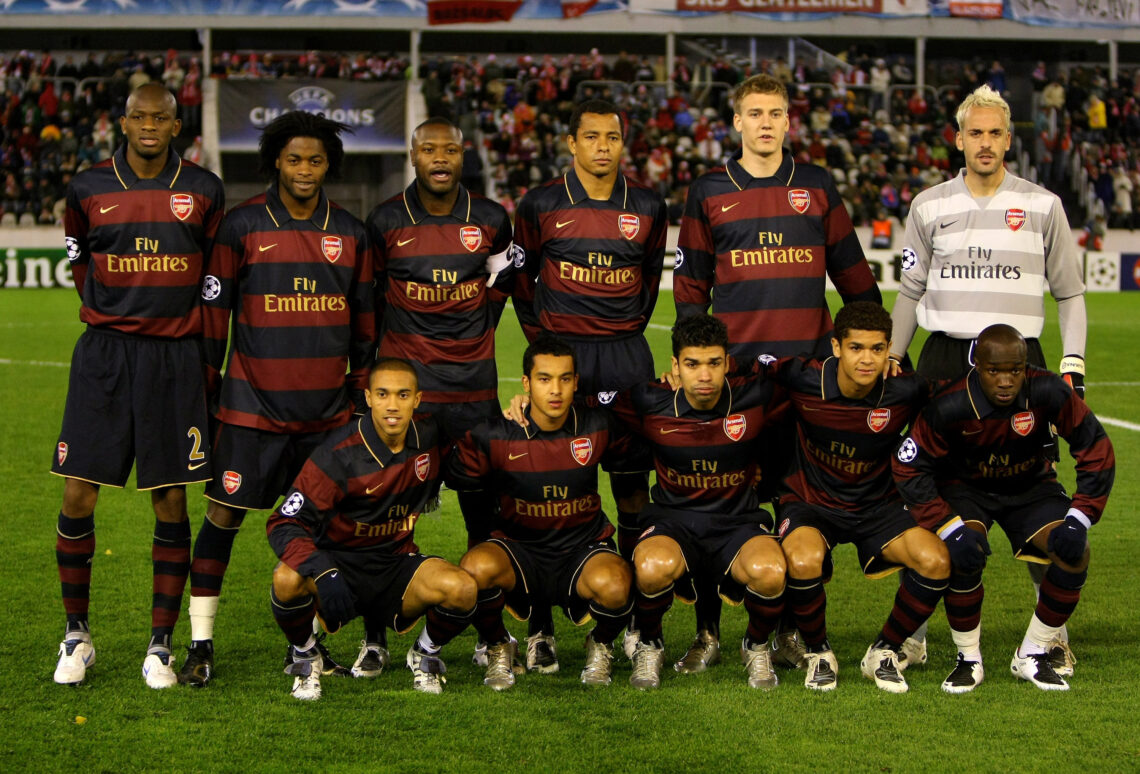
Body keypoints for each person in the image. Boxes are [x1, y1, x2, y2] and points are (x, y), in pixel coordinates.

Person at [673, 73, 881, 672]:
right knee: (718, 506)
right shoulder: (708, 189)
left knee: (798, 506)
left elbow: (853, 276)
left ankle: (790, 628)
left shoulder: (815, 185)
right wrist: (693, 362)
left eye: (776, 113)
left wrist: (881, 343)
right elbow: (691, 291)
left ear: (790, 122)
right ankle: (709, 631)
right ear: (735, 123)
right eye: (754, 113)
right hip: (732, 385)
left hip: (807, 382)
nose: (765, 123)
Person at [887, 84, 1088, 671]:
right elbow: (910, 291)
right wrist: (897, 359)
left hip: (1019, 362)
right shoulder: (928, 205)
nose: (985, 142)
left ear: (1008, 139)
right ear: (958, 139)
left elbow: (1071, 292)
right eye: (974, 132)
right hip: (945, 359)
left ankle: (1049, 634)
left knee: (1034, 483)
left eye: (995, 133)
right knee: (929, 490)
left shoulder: (1045, 204)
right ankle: (918, 625)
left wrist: (1071, 365)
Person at [179, 111, 375, 687]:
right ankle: (200, 643)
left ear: (329, 166)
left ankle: (306, 647)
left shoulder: (352, 233)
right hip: (249, 412)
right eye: (295, 159)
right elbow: (214, 323)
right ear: (275, 163)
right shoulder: (240, 228)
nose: (306, 170)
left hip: (326, 418)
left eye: (316, 160)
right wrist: (208, 396)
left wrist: (359, 403)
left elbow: (365, 330)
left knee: (319, 533)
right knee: (222, 517)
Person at [51, 83, 225, 688]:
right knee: (78, 494)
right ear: (121, 123)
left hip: (174, 360)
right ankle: (77, 636)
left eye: (162, 117)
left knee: (171, 499)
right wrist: (113, 317)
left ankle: (161, 645)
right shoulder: (87, 186)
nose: (149, 125)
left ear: (178, 126)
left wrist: (202, 358)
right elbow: (80, 264)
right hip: (104, 356)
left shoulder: (203, 189)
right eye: (139, 117)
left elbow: (211, 282)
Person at [510, 98, 666, 671]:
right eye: (592, 136)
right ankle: (542, 627)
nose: (603, 146)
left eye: (613, 137)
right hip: (562, 358)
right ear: (571, 144)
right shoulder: (541, 203)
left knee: (631, 491)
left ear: (624, 144)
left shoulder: (647, 205)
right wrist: (544, 343)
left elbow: (649, 279)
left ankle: (627, 622)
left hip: (625, 360)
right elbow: (522, 279)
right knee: (547, 494)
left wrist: (623, 333)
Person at [892, 325, 1114, 692]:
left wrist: (1079, 517)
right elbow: (909, 466)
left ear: (1027, 366)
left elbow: (1096, 450)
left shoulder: (1048, 390)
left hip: (1031, 489)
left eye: (1015, 370)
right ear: (976, 365)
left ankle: (1032, 653)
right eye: (995, 370)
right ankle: (969, 659)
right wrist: (947, 526)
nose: (1006, 380)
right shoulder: (949, 403)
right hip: (966, 489)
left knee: (1074, 552)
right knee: (964, 552)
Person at [266, 358, 477, 700]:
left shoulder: (429, 434)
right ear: (368, 398)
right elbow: (284, 522)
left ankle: (424, 654)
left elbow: (484, 435)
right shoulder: (336, 454)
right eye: (383, 394)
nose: (393, 405)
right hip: (340, 565)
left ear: (418, 400)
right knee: (286, 578)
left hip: (396, 565)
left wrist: (521, 409)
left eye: (402, 395)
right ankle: (306, 657)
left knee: (463, 589)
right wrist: (323, 571)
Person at [765, 302, 949, 693]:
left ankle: (884, 650)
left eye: (878, 349)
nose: (867, 359)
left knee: (934, 560)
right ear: (836, 347)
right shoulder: (803, 377)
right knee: (801, 557)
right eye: (856, 348)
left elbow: (955, 403)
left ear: (889, 350)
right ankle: (819, 653)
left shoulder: (906, 388)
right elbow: (745, 368)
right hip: (811, 503)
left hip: (877, 507)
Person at [611, 315, 788, 691]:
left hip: (737, 523)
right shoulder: (649, 400)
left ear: (728, 362)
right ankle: (650, 644)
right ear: (675, 366)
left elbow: (809, 395)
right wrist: (524, 403)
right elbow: (586, 405)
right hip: (674, 523)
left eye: (713, 363)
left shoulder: (755, 396)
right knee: (652, 565)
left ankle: (755, 646)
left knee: (771, 570)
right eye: (692, 364)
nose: (704, 375)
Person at [449, 334, 635, 690]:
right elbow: (461, 476)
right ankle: (499, 645)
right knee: (474, 568)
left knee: (619, 583)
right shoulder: (497, 433)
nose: (556, 390)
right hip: (520, 551)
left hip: (580, 549)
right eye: (544, 379)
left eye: (565, 379)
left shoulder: (597, 425)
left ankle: (600, 643)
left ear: (576, 383)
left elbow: (641, 427)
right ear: (526, 383)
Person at [365, 117, 514, 547]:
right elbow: (370, 294)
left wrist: (482, 319)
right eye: (429, 149)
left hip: (473, 389)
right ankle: (393, 596)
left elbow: (504, 279)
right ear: (413, 156)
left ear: (463, 155)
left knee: (482, 510)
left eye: (449, 149)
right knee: (391, 508)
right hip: (408, 390)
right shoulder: (385, 219)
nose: (440, 158)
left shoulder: (489, 217)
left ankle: (485, 604)